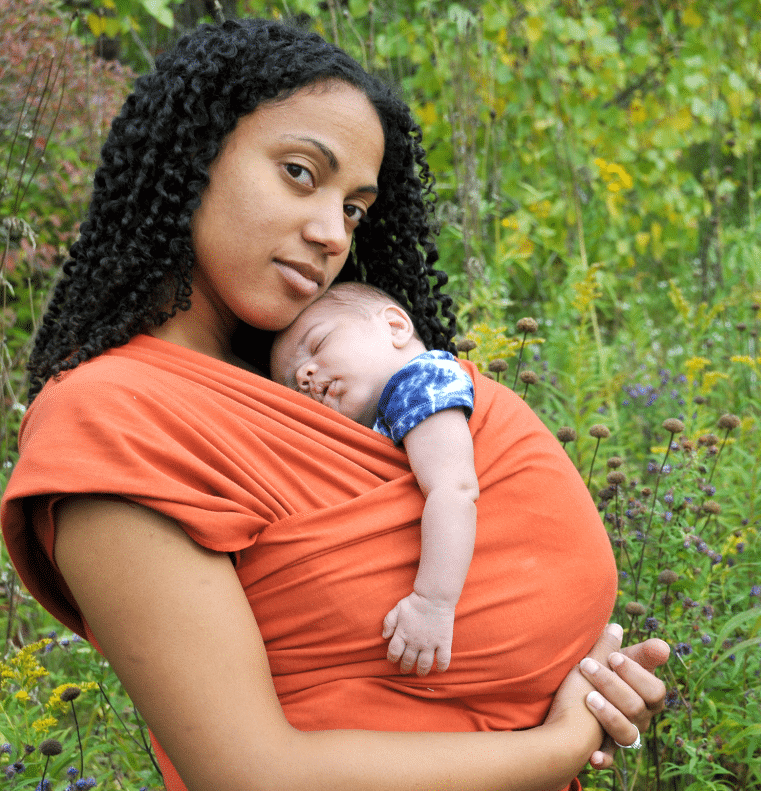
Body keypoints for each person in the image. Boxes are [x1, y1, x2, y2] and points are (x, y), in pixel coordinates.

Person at [0, 17, 668, 791]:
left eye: (354, 208)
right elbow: (253, 773)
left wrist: (583, 676)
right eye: (298, 172)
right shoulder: (112, 421)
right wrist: (557, 742)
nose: (330, 234)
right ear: (194, 156)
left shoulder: (327, 386)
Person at [270, 282, 477, 677]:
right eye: (292, 383)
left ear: (396, 327)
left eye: (317, 344)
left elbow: (455, 490)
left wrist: (432, 603)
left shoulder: (419, 383)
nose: (304, 373)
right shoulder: (394, 409)